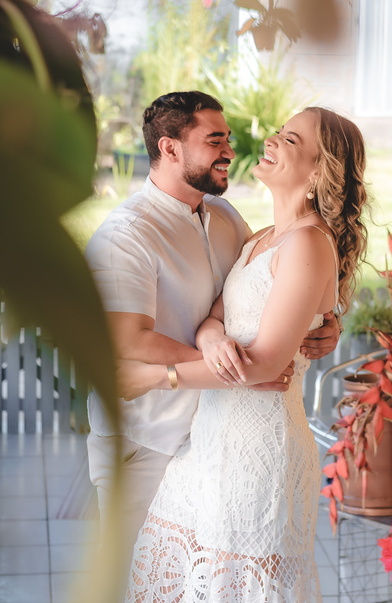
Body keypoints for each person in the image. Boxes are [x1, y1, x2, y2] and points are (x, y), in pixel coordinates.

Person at [83, 92, 341, 582]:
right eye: (214, 141)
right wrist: (237, 372)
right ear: (170, 148)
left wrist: (324, 321)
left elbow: (271, 287)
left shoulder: (225, 218)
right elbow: (129, 340)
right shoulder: (126, 235)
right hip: (147, 440)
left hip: (216, 439)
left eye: (228, 138)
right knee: (133, 580)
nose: (230, 151)